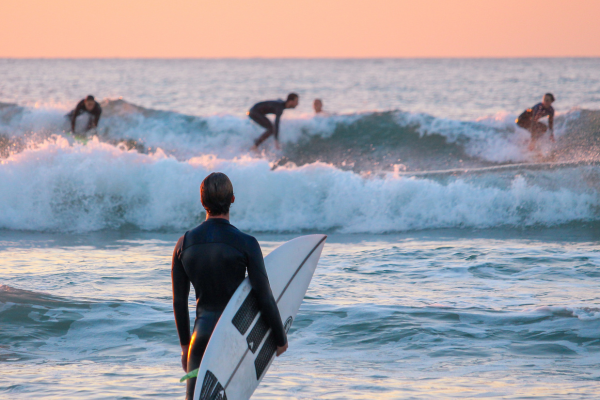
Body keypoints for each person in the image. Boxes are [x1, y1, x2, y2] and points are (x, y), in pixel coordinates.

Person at [171, 172, 288, 400]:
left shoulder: (183, 244)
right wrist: (280, 338)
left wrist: (186, 346)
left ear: (202, 201)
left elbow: (179, 302)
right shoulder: (247, 243)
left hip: (200, 337)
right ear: (232, 199)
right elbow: (264, 296)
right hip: (232, 336)